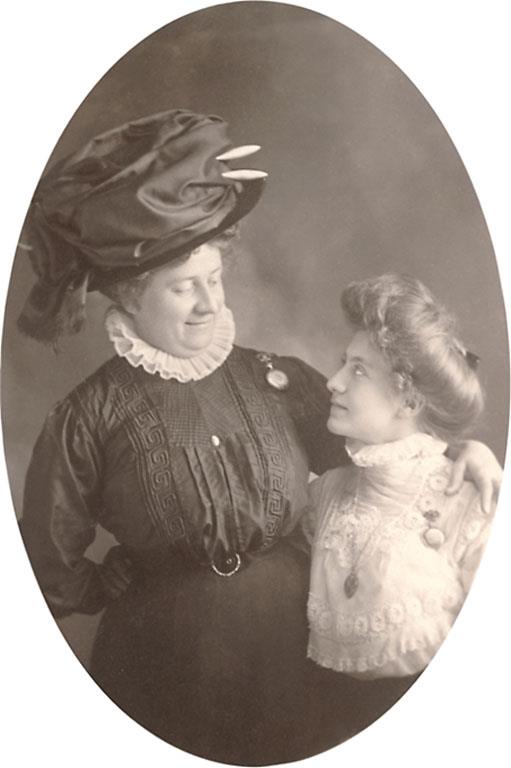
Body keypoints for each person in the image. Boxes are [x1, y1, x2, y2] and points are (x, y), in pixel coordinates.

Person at [14, 109, 501, 765]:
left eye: (214, 279)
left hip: (292, 663)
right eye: (183, 287)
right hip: (162, 666)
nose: (209, 303)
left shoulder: (281, 381)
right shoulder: (87, 417)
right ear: (128, 298)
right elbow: (48, 569)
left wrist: (463, 451)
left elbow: (386, 457)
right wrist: (114, 582)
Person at [305, 273, 495, 735]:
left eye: (358, 371)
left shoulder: (472, 503)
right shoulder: (326, 493)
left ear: (408, 401)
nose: (333, 382)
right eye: (343, 364)